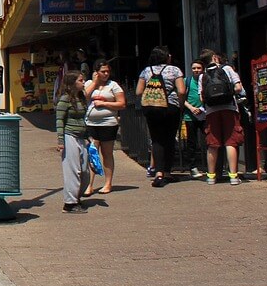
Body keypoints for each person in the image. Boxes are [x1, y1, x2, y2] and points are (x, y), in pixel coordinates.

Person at [136, 46, 186, 187]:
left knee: (156, 139)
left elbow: (138, 91)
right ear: (166, 57)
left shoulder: (146, 70)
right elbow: (181, 90)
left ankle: (158, 173)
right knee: (169, 139)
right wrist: (180, 105)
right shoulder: (175, 70)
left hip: (151, 108)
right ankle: (168, 172)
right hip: (170, 107)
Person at [198, 48, 246, 185]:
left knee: (212, 144)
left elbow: (202, 97)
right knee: (231, 142)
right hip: (229, 108)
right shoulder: (227, 69)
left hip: (211, 111)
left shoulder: (203, 76)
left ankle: (211, 177)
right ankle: (233, 176)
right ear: (214, 57)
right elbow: (238, 88)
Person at [84, 60, 126, 194]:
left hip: (108, 123)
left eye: (108, 71)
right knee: (92, 153)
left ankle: (108, 183)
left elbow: (122, 104)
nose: (106, 74)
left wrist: (105, 104)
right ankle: (89, 185)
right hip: (91, 123)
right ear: (96, 72)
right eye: (103, 71)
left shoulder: (113, 85)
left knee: (106, 153)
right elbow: (84, 96)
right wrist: (95, 83)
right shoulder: (89, 84)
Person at [55, 70, 91, 213]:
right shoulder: (65, 99)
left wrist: (88, 136)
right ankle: (69, 203)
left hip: (82, 137)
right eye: (80, 80)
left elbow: (84, 118)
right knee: (72, 170)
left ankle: (76, 196)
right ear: (72, 83)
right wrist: (60, 140)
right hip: (70, 136)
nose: (83, 83)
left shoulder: (81, 98)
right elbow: (59, 119)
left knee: (84, 171)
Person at [182, 60, 206, 178]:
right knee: (191, 142)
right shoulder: (187, 81)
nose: (196, 70)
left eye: (199, 68)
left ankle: (209, 166)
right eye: (194, 68)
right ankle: (192, 167)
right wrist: (191, 108)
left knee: (209, 140)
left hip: (204, 114)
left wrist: (201, 108)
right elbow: (181, 97)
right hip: (190, 116)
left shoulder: (206, 80)